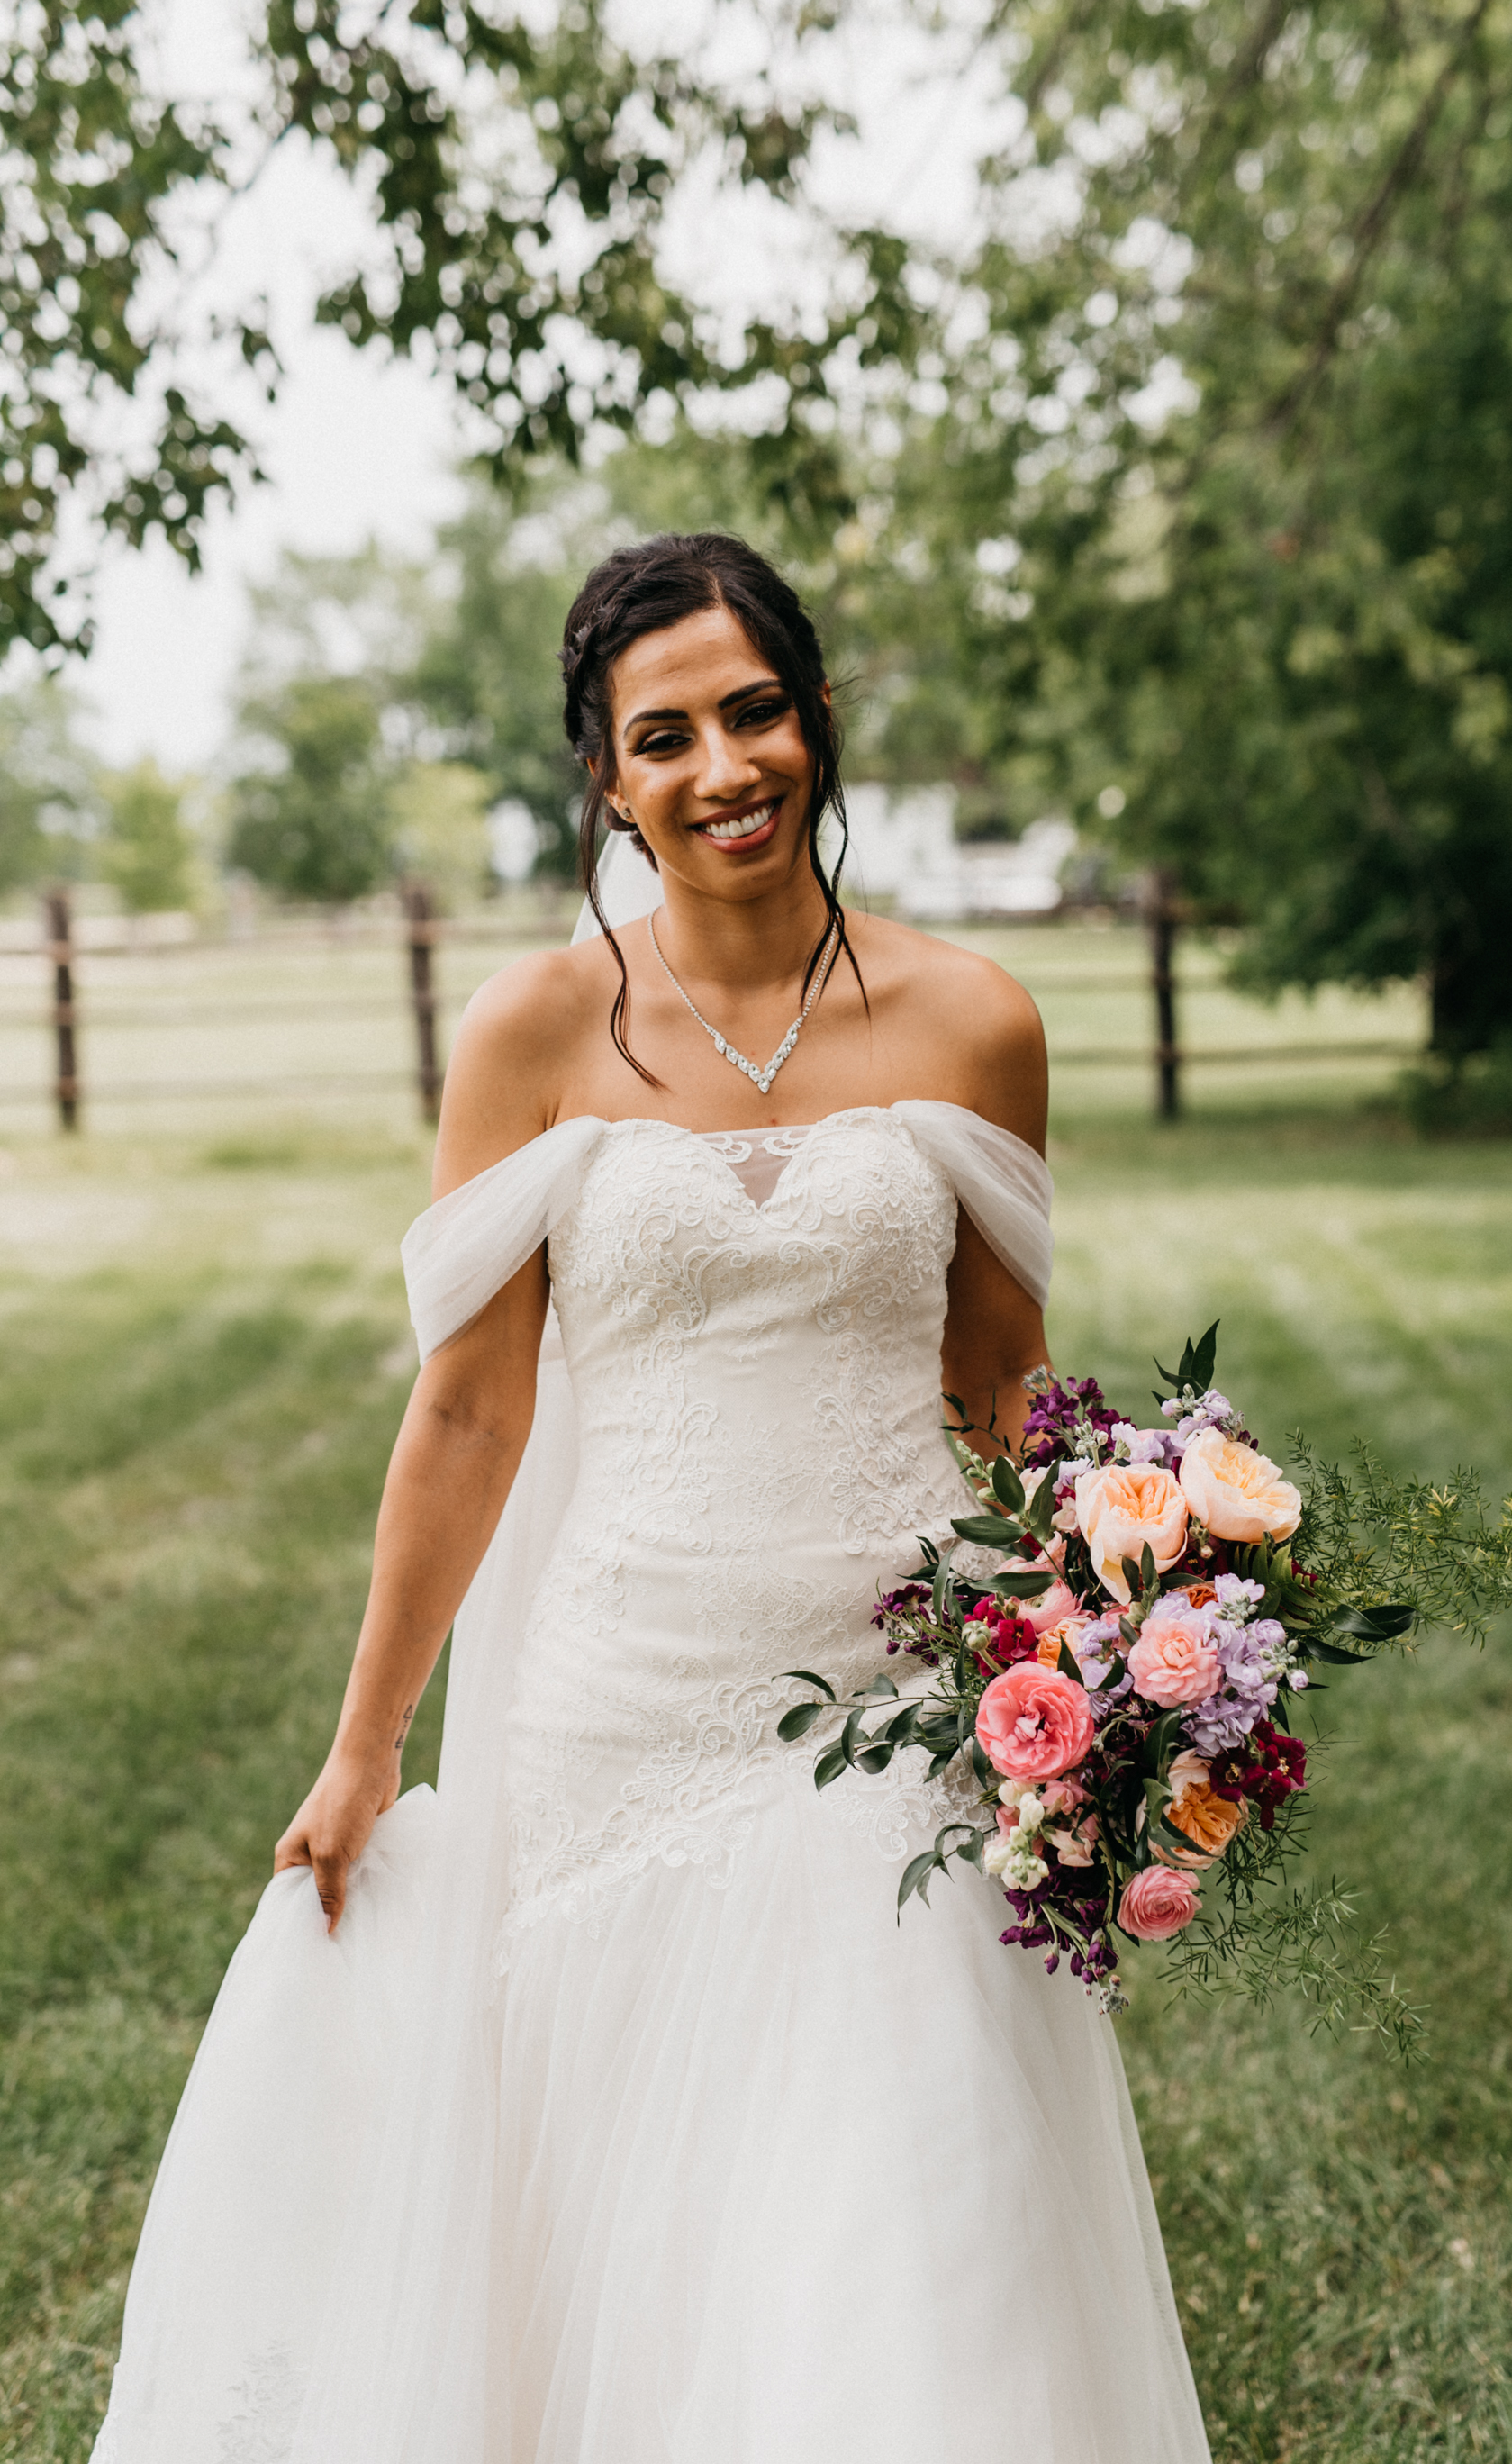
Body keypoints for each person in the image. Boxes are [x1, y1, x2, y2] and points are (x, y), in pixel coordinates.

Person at [93, 534, 1210, 2463]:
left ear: (819, 713)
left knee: (900, 2229)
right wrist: (363, 1751)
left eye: (754, 710)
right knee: (624, 2226)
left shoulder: (975, 1022)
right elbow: (463, 1414)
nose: (723, 769)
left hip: (899, 1708)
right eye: (663, 735)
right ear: (607, 779)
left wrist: (1123, 1652)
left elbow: (999, 1377)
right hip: (617, 1706)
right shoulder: (535, 1033)